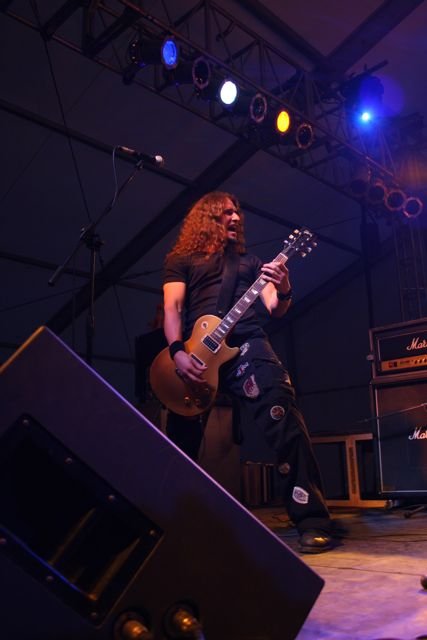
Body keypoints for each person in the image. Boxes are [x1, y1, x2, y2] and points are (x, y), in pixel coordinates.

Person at [160, 191, 334, 553]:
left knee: (283, 413)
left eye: (237, 213)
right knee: (179, 442)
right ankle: (168, 522)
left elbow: (275, 308)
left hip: (247, 346)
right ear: (208, 217)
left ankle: (312, 519)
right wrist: (177, 353)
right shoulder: (181, 260)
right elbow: (172, 309)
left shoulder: (252, 263)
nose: (236, 218)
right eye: (227, 213)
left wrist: (283, 284)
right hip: (196, 356)